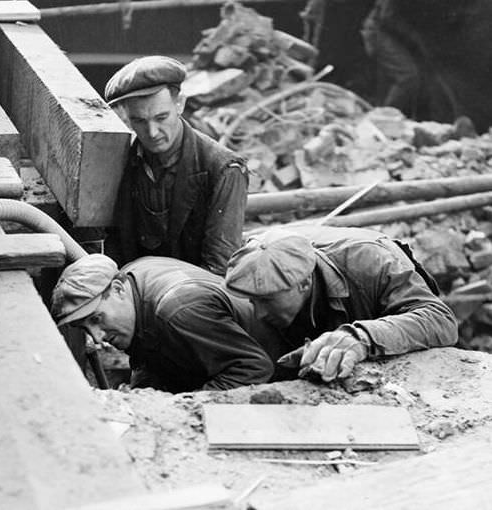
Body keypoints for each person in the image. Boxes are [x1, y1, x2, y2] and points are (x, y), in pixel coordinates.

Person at [224, 225, 458, 382]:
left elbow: (440, 320)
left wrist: (361, 338)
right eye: (253, 300)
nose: (259, 313)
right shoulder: (256, 262)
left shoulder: (374, 261)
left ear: (304, 283)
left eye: (267, 300)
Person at [51, 254, 289, 393]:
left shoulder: (178, 311)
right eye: (85, 328)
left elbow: (254, 368)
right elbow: (148, 352)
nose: (97, 337)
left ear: (117, 289)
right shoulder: (134, 277)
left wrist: (187, 404)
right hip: (219, 357)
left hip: (280, 372)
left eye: (96, 319)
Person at [104, 55, 249, 277]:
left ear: (180, 103)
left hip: (194, 293)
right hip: (132, 288)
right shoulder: (122, 161)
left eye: (161, 117)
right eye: (140, 121)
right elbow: (111, 243)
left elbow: (218, 268)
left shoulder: (223, 169)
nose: (152, 132)